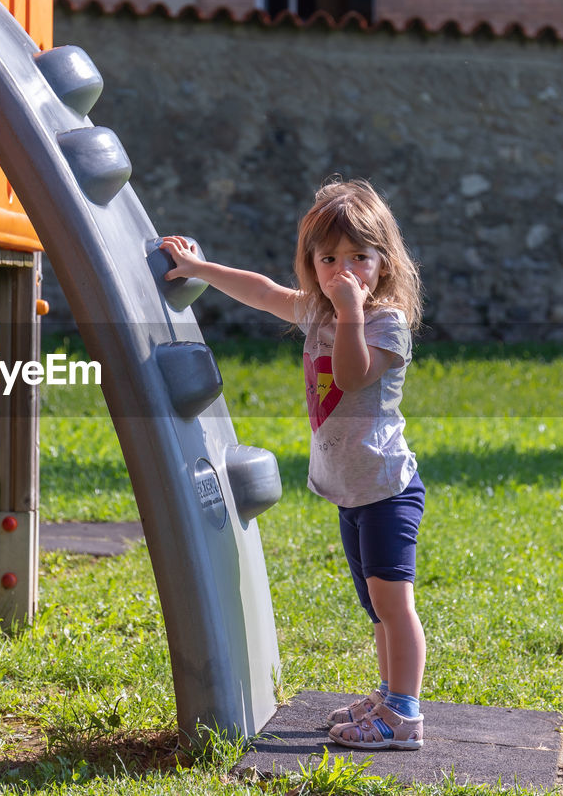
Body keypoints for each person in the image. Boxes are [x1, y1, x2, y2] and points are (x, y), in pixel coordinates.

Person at [159, 178, 427, 750]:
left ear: (385, 259)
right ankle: (387, 693)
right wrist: (199, 269)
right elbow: (260, 291)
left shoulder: (385, 323)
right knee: (374, 607)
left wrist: (350, 312)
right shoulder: (318, 311)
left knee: (393, 605)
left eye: (359, 257)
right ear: (312, 264)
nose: (343, 271)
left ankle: (404, 714)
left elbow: (352, 376)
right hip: (351, 491)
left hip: (385, 488)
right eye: (329, 259)